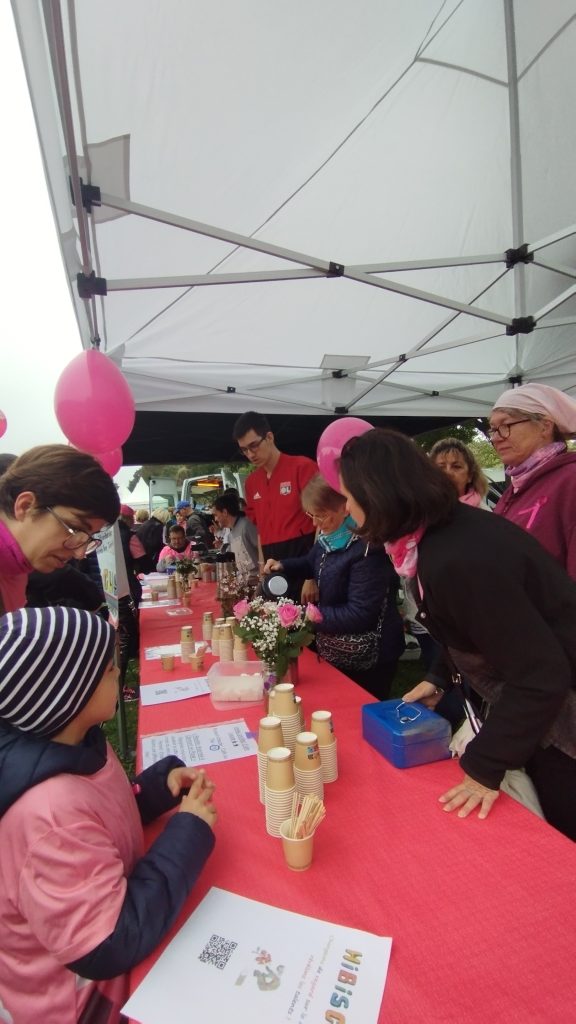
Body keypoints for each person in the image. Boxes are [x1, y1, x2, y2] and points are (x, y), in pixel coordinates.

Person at [339, 427, 576, 840]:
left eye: (347, 495)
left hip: (561, 721)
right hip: (537, 708)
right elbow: (472, 627)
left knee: (557, 837)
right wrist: (438, 677)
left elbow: (541, 674)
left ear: (376, 494)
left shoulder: (456, 557)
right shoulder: (437, 535)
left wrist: (485, 765)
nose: (345, 507)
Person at [0, 605, 217, 1022]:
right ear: (68, 693)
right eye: (108, 670)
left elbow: (98, 817)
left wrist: (156, 789)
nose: (119, 673)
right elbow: (108, 941)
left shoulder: (73, 744)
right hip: (85, 1005)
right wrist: (187, 833)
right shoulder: (48, 815)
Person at [263, 475, 405, 699]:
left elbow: (359, 614)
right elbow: (312, 562)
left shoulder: (367, 549)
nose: (315, 523)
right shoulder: (330, 538)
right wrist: (283, 565)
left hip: (370, 656)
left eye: (320, 515)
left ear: (345, 508)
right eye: (310, 515)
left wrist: (304, 616)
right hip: (338, 648)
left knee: (361, 708)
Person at [0, 444, 120, 614]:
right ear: (25, 506)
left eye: (88, 539)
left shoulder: (18, 570)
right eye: (75, 530)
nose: (79, 554)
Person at [489, 382, 576, 578]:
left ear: (545, 426)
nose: (495, 438)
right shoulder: (516, 488)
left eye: (505, 425)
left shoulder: (570, 481)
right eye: (493, 429)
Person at [232, 411, 317, 600]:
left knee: (307, 616)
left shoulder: (302, 467)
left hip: (303, 558)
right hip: (272, 565)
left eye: (254, 446)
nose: (250, 454)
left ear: (269, 437)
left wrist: (312, 575)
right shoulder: (252, 482)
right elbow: (260, 529)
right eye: (244, 450)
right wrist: (262, 568)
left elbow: (323, 523)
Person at [429, 437, 490, 507]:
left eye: (456, 466)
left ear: (470, 475)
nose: (448, 472)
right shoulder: (423, 509)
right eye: (441, 467)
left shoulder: (481, 511)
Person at [212, 491, 259, 576]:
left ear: (225, 512)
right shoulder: (231, 533)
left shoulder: (247, 525)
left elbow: (263, 549)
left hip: (257, 577)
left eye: (216, 515)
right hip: (245, 578)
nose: (215, 519)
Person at [136, 507, 172, 573]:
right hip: (151, 561)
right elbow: (158, 544)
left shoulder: (145, 524)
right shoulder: (159, 527)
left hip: (141, 559)